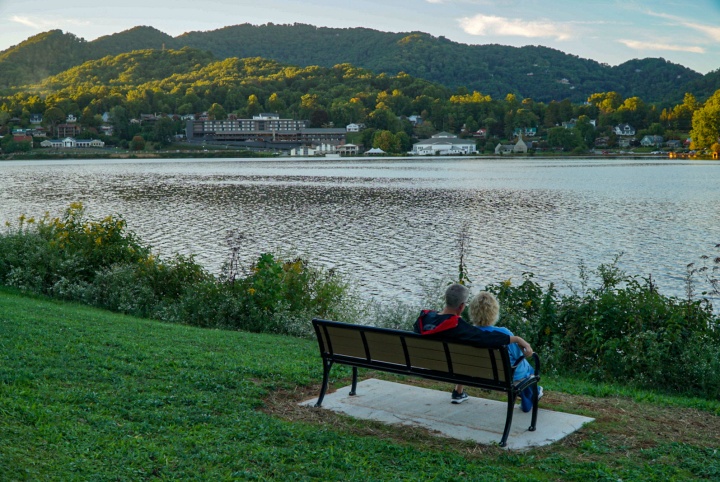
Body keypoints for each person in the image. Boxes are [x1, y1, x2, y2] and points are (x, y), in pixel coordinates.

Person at [413, 283, 534, 404]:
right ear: (461, 307)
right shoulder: (459, 328)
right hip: (473, 372)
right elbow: (485, 337)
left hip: (430, 366)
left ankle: (458, 391)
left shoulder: (425, 318)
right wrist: (516, 339)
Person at [468, 290, 543, 412]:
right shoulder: (504, 334)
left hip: (479, 374)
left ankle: (532, 393)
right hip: (507, 377)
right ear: (494, 312)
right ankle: (533, 392)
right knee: (526, 365)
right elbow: (519, 355)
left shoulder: (469, 332)